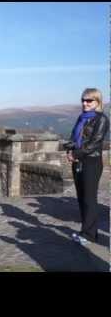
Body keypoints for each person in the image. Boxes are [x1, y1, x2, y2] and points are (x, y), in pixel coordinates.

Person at [66, 88, 109, 246]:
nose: (85, 103)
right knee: (81, 198)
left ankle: (90, 235)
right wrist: (69, 149)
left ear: (97, 102)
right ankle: (86, 231)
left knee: (89, 199)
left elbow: (94, 143)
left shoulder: (102, 119)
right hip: (78, 162)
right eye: (83, 100)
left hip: (91, 162)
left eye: (89, 100)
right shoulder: (81, 117)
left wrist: (76, 154)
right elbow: (73, 137)